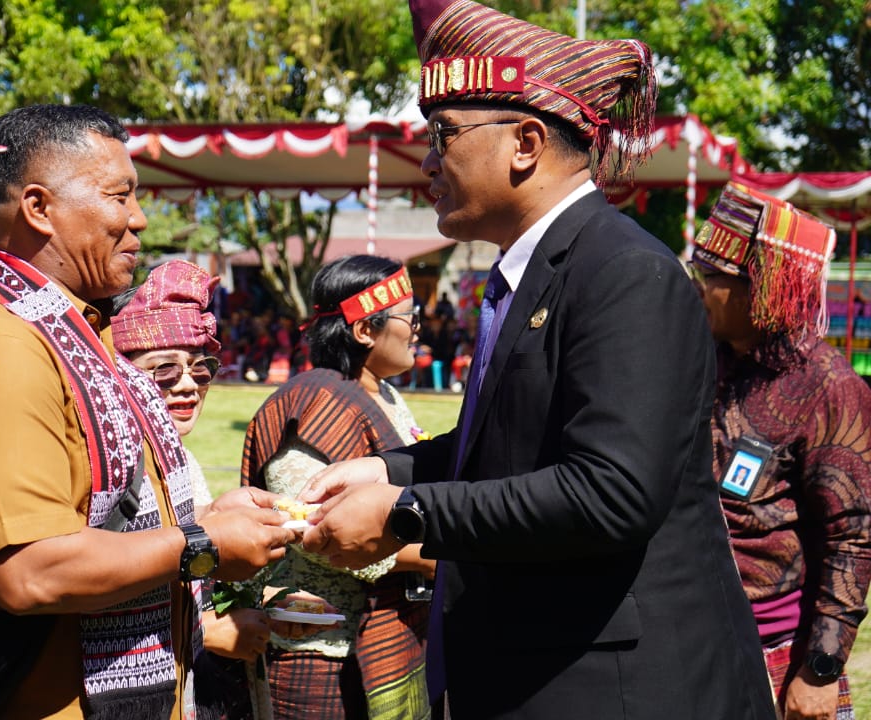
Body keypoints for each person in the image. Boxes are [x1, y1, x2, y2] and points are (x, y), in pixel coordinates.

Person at [293, 1, 776, 718]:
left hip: (622, 690)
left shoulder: (621, 272)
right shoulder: (539, 272)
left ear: (524, 142)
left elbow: (611, 490)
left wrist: (407, 511)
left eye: (444, 136)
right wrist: (390, 468)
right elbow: (519, 443)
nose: (427, 160)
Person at [0, 104, 297, 720]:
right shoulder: (2, 347)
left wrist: (203, 515)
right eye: (120, 196)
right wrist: (203, 543)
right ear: (39, 208)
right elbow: (29, 570)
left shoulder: (79, 334)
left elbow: (104, 514)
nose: (138, 219)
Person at [690, 181, 871, 720]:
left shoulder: (829, 389)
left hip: (780, 661)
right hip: (691, 643)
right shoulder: (706, 362)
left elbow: (853, 539)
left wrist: (819, 671)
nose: (698, 290)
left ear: (760, 289)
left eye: (711, 279)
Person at [242, 255, 435, 720]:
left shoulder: (384, 393)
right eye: (411, 317)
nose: (418, 330)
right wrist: (440, 554)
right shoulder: (310, 404)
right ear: (365, 330)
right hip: (323, 653)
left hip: (389, 635)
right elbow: (312, 530)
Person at [112, 258, 277, 718]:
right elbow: (77, 578)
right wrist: (209, 628)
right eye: (164, 368)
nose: (188, 385)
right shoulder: (111, 459)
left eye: (200, 368)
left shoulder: (179, 457)